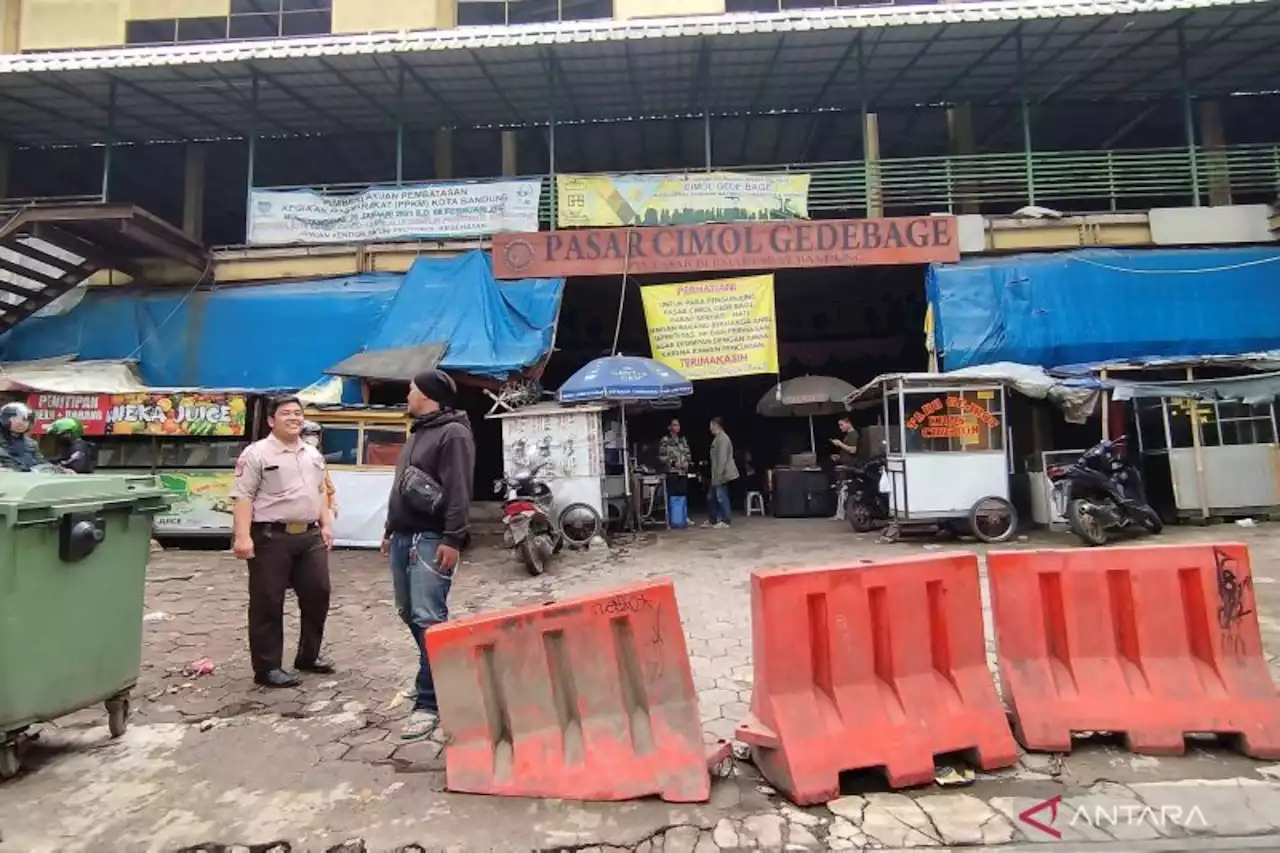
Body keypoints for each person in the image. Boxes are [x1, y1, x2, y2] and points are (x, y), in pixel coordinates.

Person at [382, 369, 475, 741]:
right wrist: (390, 529)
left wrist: (453, 538)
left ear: (428, 394)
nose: (407, 393)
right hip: (404, 536)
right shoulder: (419, 431)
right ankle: (439, 671)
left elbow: (458, 490)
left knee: (428, 617)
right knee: (410, 613)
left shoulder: (453, 433)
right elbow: (400, 486)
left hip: (431, 538)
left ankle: (430, 703)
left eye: (411, 388)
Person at [230, 396, 335, 689]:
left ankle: (308, 656)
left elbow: (320, 490)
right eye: (286, 413)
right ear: (271, 421)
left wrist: (326, 524)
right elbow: (243, 496)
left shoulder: (312, 453)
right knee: (268, 601)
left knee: (318, 593)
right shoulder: (256, 454)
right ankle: (267, 668)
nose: (294, 418)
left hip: (310, 536)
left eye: (298, 413)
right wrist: (242, 537)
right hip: (270, 537)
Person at [704, 417, 739, 529]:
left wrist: (718, 476)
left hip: (721, 474)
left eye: (711, 425)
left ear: (716, 425)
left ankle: (726, 520)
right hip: (716, 474)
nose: (710, 428)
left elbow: (722, 459)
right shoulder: (718, 438)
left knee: (721, 496)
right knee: (711, 497)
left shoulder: (723, 439)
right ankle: (713, 519)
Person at [301, 421, 338, 520]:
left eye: (315, 434)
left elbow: (327, 483)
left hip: (322, 504)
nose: (313, 437)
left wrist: (333, 503)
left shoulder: (318, 457)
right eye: (308, 434)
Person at [0, 402, 47, 472]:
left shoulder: (31, 444)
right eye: (15, 419)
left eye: (25, 420)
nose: (21, 423)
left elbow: (41, 464)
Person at [657, 417, 692, 498]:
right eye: (675, 425)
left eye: (678, 425)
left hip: (683, 473)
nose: (677, 427)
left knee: (682, 496)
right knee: (673, 497)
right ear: (669, 427)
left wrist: (687, 462)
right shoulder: (665, 440)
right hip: (672, 473)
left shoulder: (682, 440)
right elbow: (662, 457)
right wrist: (673, 463)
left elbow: (688, 454)